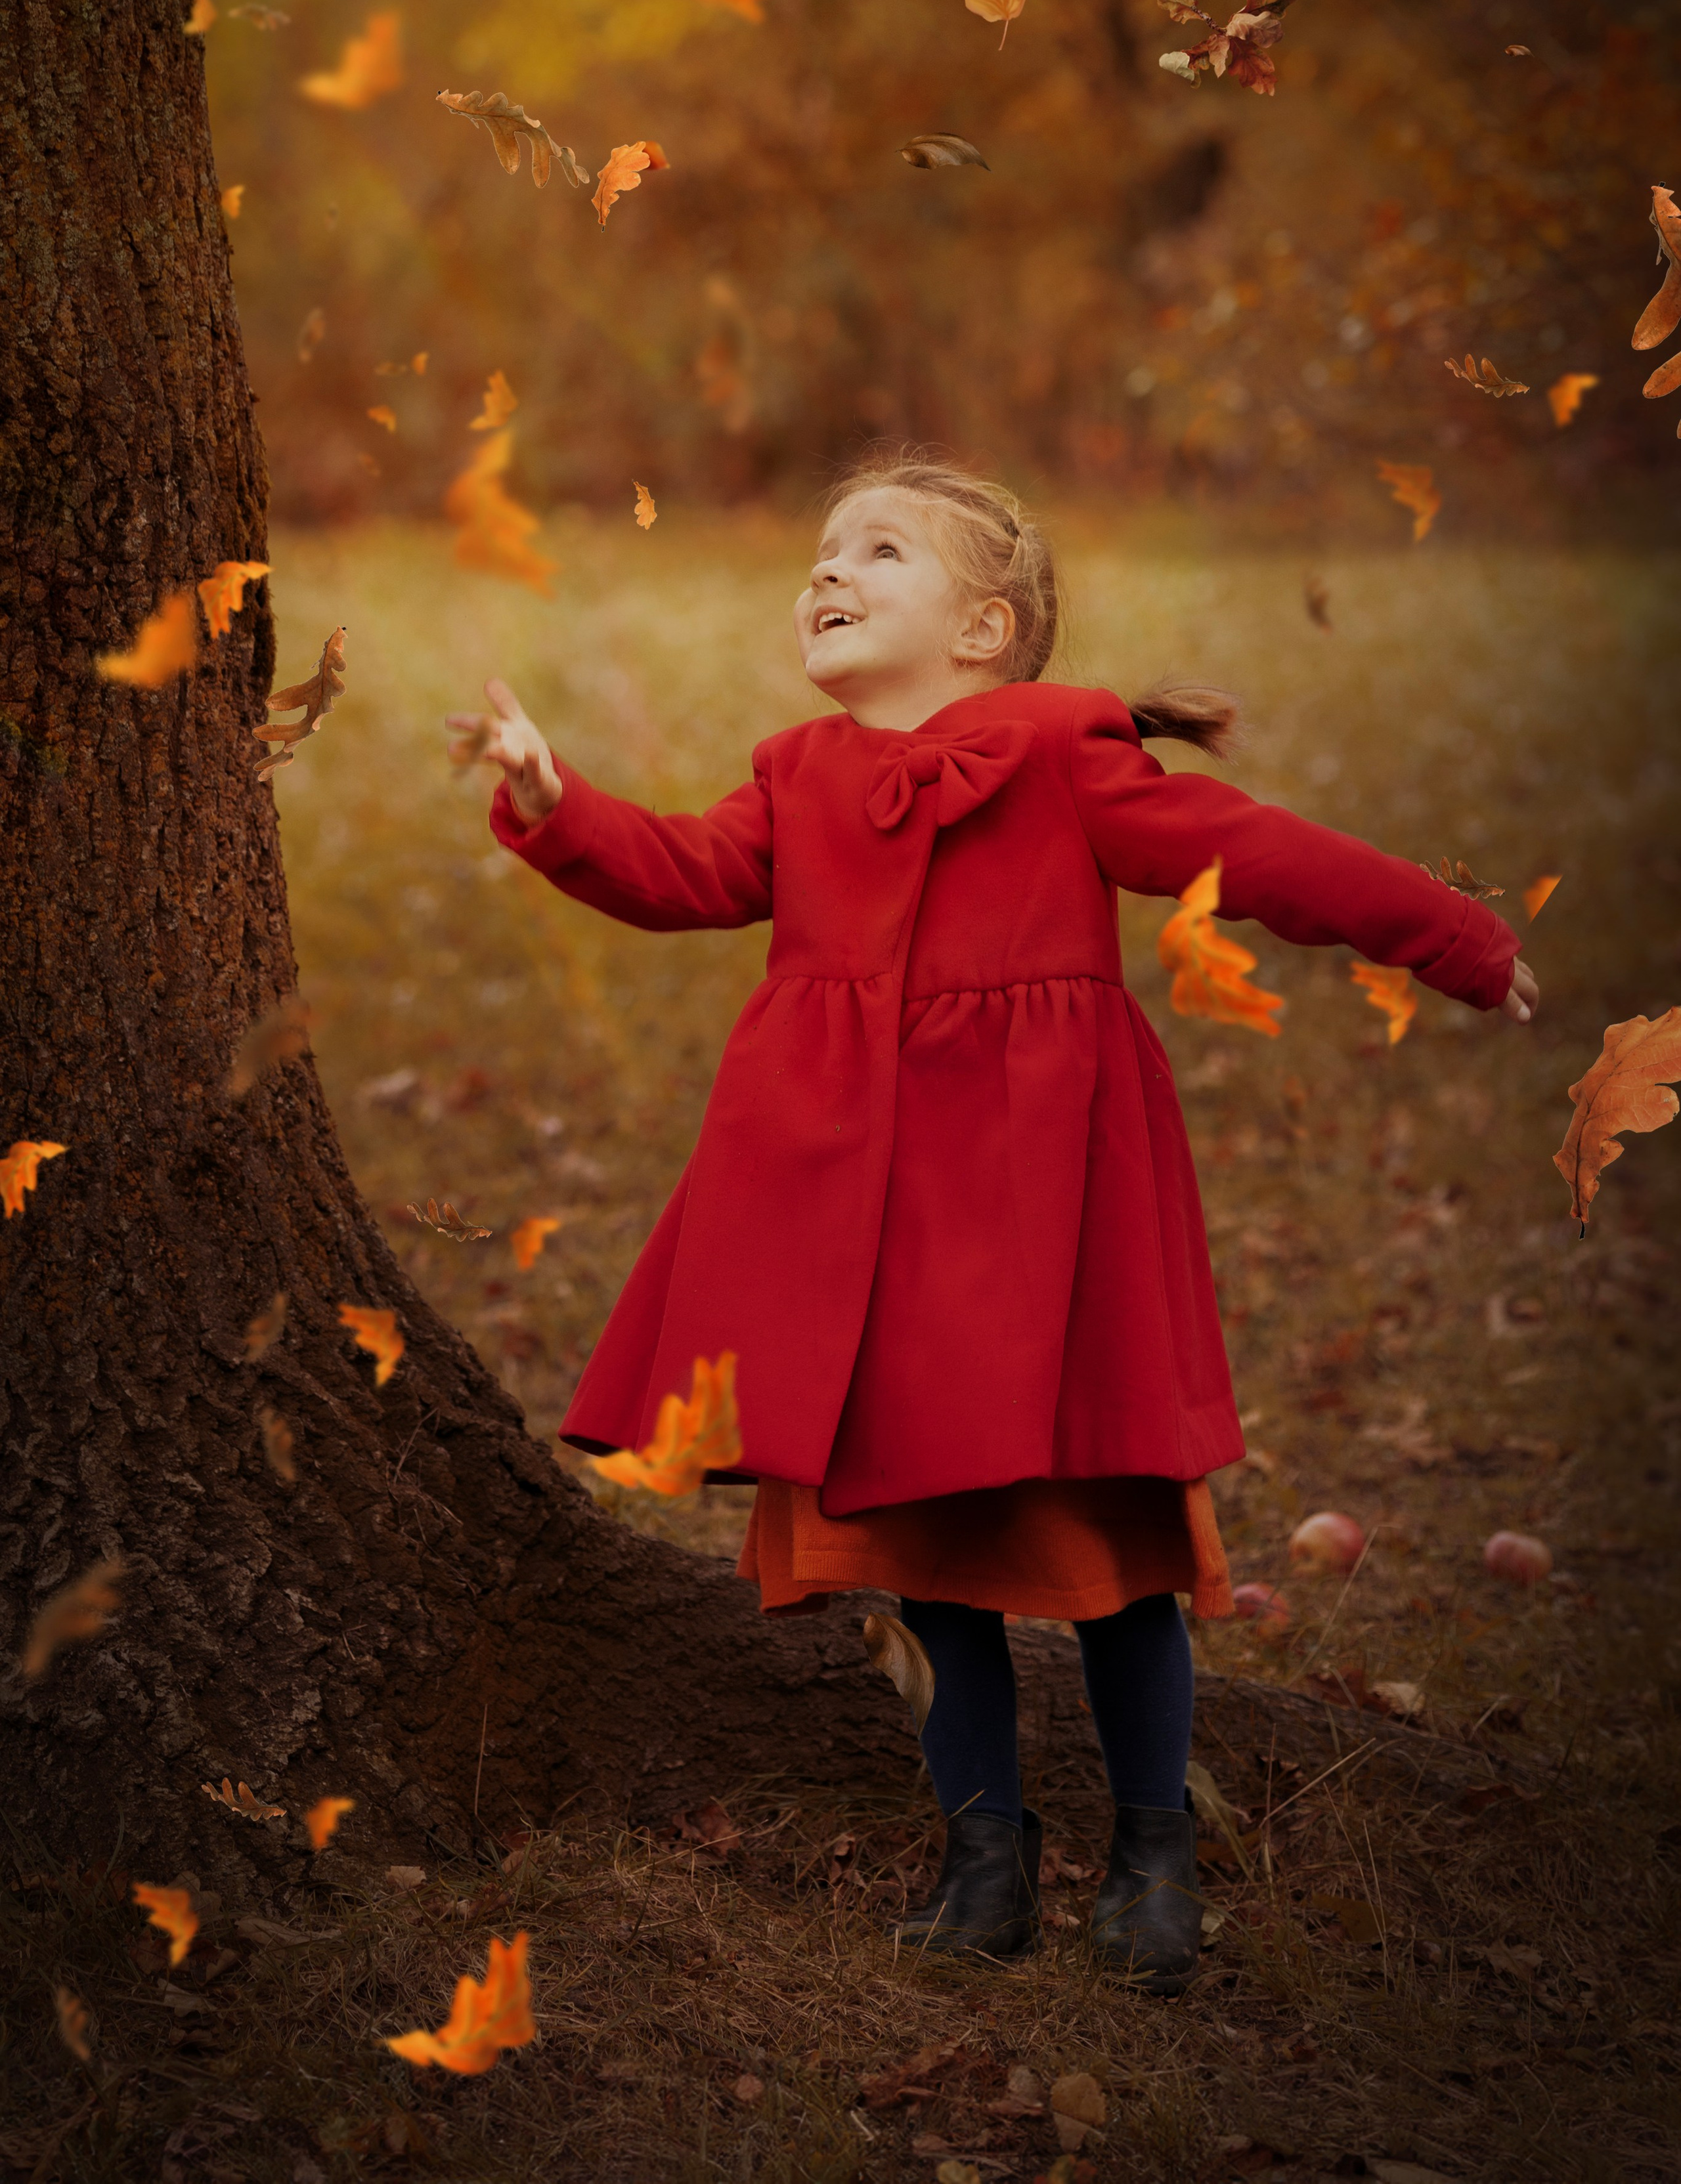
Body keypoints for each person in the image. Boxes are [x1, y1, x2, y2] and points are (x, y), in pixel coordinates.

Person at [448, 454, 1536, 1993]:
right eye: (820, 554)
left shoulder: (1059, 752)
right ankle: (984, 1858)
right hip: (860, 1220)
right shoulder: (793, 774)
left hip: (1038, 1206)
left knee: (1106, 1527)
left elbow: (1255, 857)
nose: (826, 573)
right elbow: (683, 873)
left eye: (876, 552)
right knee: (912, 1543)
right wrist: (555, 807)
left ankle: (1154, 1855)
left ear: (984, 628)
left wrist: (1456, 940)